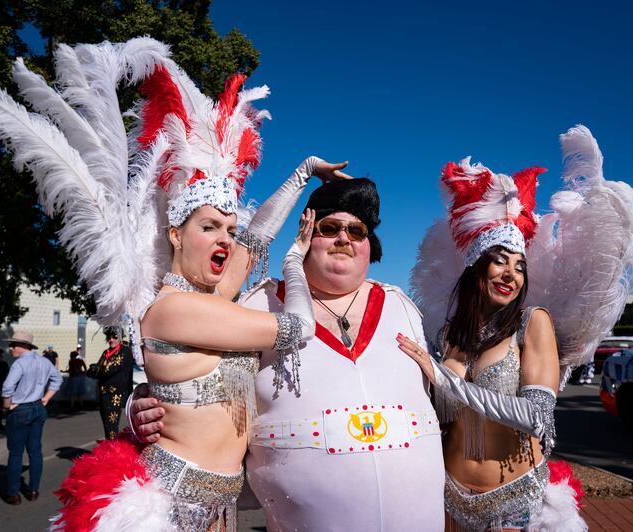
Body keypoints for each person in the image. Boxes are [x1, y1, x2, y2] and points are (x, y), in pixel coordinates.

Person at [0, 38, 349, 531]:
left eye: (228, 229)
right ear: (176, 233)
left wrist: (302, 173)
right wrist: (297, 261)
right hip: (171, 508)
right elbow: (298, 327)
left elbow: (255, 239)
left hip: (219, 505)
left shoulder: (211, 299)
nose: (225, 241)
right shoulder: (174, 310)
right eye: (209, 228)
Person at [132, 178, 446, 531]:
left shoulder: (405, 308)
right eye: (330, 228)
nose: (344, 238)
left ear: (369, 245)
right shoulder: (257, 304)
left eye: (357, 231)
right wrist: (136, 409)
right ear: (308, 232)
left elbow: (453, 401)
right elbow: (182, 375)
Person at [402, 125, 633, 530]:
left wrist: (445, 382)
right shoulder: (450, 336)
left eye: (520, 266)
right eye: (500, 261)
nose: (511, 274)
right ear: (477, 268)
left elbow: (536, 416)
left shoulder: (533, 323)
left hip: (511, 501)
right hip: (450, 496)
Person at [0, 330, 63, 505]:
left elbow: (7, 388)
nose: (10, 347)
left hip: (20, 410)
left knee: (15, 453)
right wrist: (46, 397)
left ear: (24, 346)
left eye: (14, 344)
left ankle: (13, 494)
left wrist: (6, 407)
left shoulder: (19, 364)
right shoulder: (43, 361)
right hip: (38, 408)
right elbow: (57, 379)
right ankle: (33, 490)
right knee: (35, 451)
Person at [91, 327, 134, 439]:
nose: (111, 340)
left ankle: (113, 452)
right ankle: (109, 451)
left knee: (112, 428)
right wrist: (96, 369)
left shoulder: (125, 351)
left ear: (120, 338)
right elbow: (92, 372)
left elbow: (108, 370)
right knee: (106, 427)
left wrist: (97, 369)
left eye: (114, 337)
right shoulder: (106, 352)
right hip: (103, 395)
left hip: (116, 395)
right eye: (109, 337)